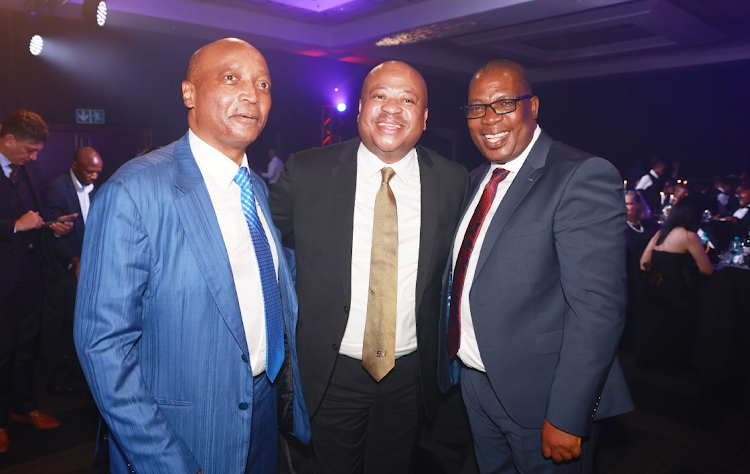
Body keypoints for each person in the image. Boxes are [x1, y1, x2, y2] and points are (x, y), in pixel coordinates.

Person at [74, 38, 310, 474]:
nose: (251, 94)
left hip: (261, 416)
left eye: (263, 84)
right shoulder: (135, 191)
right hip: (178, 433)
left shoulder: (254, 188)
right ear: (188, 93)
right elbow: (102, 345)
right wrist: (166, 461)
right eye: (230, 77)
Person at [270, 60, 469, 474]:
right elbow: (256, 243)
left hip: (410, 376)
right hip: (329, 370)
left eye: (407, 99)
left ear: (425, 117)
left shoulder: (452, 181)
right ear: (360, 108)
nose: (392, 109)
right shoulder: (308, 170)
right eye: (380, 96)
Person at [437, 59, 633, 474]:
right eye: (477, 108)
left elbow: (597, 311)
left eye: (504, 103)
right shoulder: (475, 180)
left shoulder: (579, 175)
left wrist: (567, 413)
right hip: (475, 383)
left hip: (543, 396)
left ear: (534, 106)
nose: (490, 118)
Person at [1, 109, 74, 453]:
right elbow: (18, 221)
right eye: (29, 150)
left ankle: (24, 407)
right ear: (9, 139)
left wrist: (50, 225)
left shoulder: (29, 167)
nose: (33, 158)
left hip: (31, 273)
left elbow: (36, 214)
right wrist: (16, 225)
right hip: (2, 277)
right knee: (3, 349)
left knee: (28, 345)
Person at [42, 146, 103, 397]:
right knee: (60, 329)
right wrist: (73, 259)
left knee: (82, 324)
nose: (94, 177)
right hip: (63, 271)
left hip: (88, 272)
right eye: (90, 171)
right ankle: (55, 379)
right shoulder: (56, 188)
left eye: (98, 172)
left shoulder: (98, 188)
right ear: (75, 166)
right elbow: (52, 234)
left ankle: (77, 372)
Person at [639, 196, 712, 367]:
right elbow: (707, 270)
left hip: (655, 294)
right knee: (711, 301)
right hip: (678, 297)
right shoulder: (689, 235)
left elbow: (643, 264)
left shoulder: (660, 233)